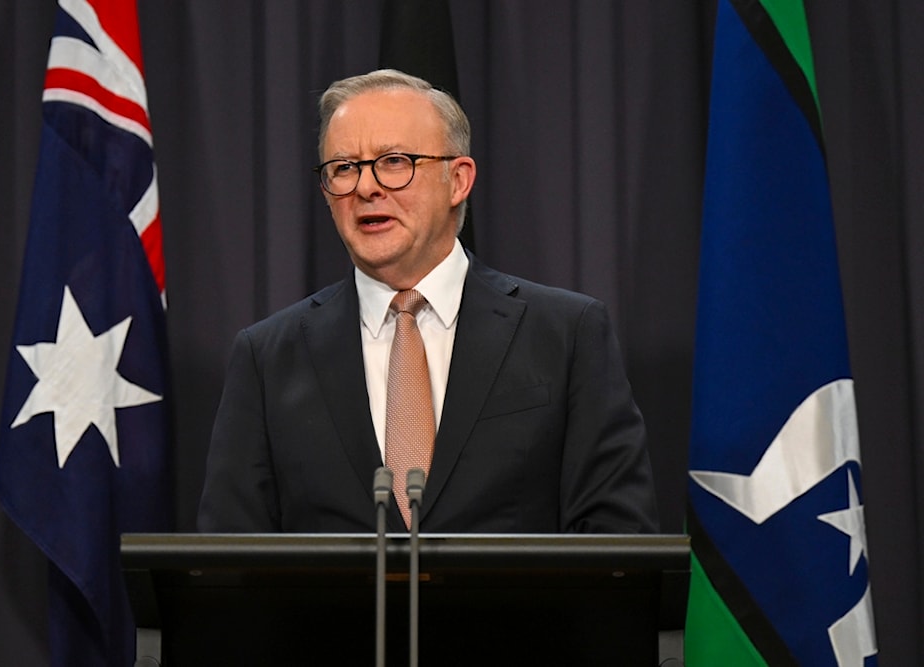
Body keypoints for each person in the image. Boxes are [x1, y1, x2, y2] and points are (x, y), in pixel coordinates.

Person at [197, 69, 658, 534]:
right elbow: (229, 559)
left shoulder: (567, 334)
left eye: (394, 161)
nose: (365, 187)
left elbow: (617, 538)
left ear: (458, 180)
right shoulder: (268, 357)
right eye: (343, 168)